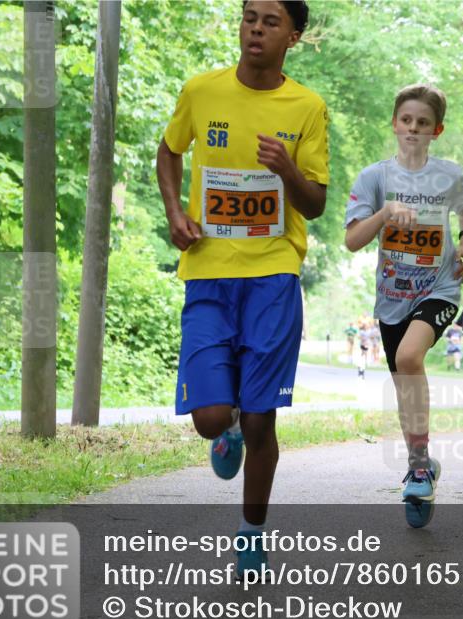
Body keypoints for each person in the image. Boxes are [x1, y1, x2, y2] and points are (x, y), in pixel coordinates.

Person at [157, 1, 327, 578]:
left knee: (262, 421)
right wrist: (174, 210)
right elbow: (169, 150)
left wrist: (287, 170)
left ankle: (251, 534)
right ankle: (222, 427)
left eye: (270, 21)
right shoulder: (201, 91)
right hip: (207, 269)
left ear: (293, 36)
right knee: (210, 417)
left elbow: (317, 204)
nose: (255, 28)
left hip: (274, 273)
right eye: (249, 16)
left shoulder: (306, 106)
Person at [344, 84, 463, 528]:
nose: (414, 129)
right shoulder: (374, 178)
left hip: (439, 289)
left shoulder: (448, 175)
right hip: (392, 299)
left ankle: (418, 467)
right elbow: (352, 241)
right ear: (394, 124)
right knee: (404, 386)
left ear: (436, 130)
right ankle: (420, 463)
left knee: (408, 356)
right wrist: (383, 215)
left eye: (423, 123)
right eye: (406, 121)